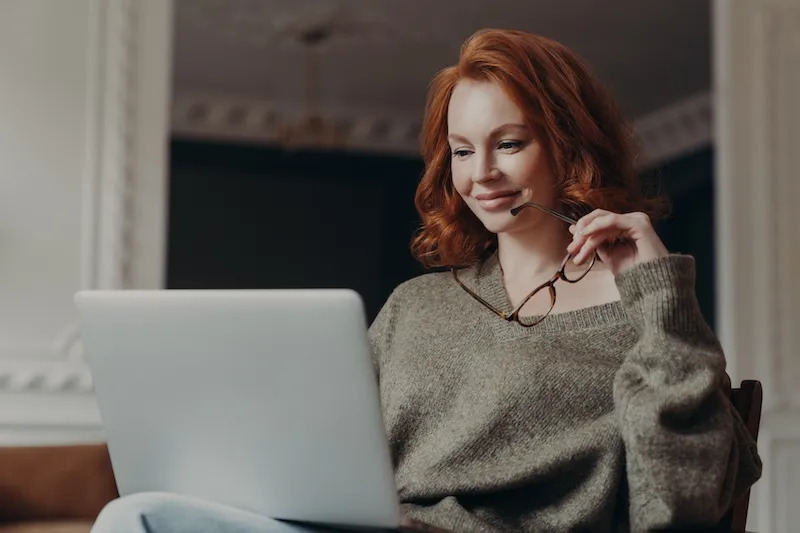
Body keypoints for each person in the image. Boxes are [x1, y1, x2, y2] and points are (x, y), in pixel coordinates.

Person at [91, 29, 761, 533]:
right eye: (463, 151)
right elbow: (333, 457)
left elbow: (684, 504)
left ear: (570, 146)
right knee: (138, 515)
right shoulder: (416, 304)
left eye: (510, 143)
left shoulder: (646, 316)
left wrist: (660, 292)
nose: (481, 175)